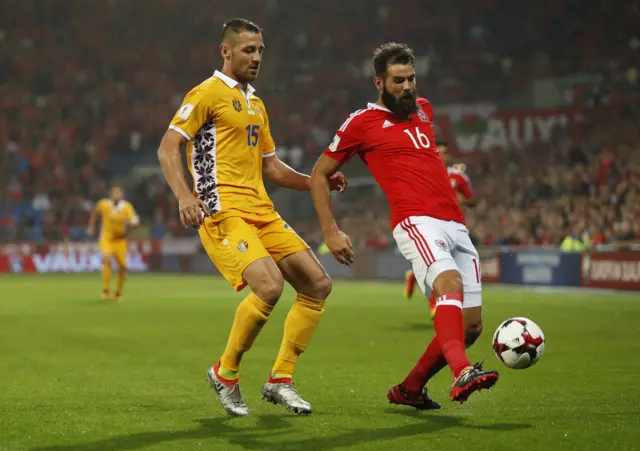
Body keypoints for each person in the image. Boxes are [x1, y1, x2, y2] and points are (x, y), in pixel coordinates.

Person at [157, 18, 347, 417]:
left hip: (262, 210)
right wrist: (183, 195)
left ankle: (281, 379)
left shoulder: (257, 104)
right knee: (270, 286)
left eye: (260, 50)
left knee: (317, 284)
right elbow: (168, 146)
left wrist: (318, 180)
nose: (257, 57)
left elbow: (273, 169)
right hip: (223, 209)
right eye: (248, 50)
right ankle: (226, 373)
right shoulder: (207, 93)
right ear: (226, 51)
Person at [310, 42, 498, 407]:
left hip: (456, 225)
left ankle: (410, 388)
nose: (408, 87)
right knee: (449, 284)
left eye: (412, 78)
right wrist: (330, 230)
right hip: (415, 220)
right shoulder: (360, 123)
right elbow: (320, 174)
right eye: (398, 80)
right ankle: (462, 373)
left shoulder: (424, 110)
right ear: (379, 82)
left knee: (472, 327)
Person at [405, 141, 477, 316]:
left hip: (453, 226)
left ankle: (414, 275)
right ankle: (435, 306)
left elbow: (473, 201)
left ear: (449, 156)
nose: (442, 156)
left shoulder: (458, 177)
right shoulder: (423, 174)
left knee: (451, 268)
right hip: (429, 224)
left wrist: (461, 200)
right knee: (436, 266)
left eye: (445, 152)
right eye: (439, 152)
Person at [87, 186, 139, 301]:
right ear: (111, 194)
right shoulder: (104, 204)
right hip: (106, 238)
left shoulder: (126, 207)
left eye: (118, 193)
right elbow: (95, 213)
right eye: (114, 193)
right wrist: (91, 226)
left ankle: (118, 293)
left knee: (123, 267)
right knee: (107, 258)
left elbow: (135, 220)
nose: (116, 195)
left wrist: (130, 222)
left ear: (122, 195)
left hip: (120, 240)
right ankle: (105, 291)